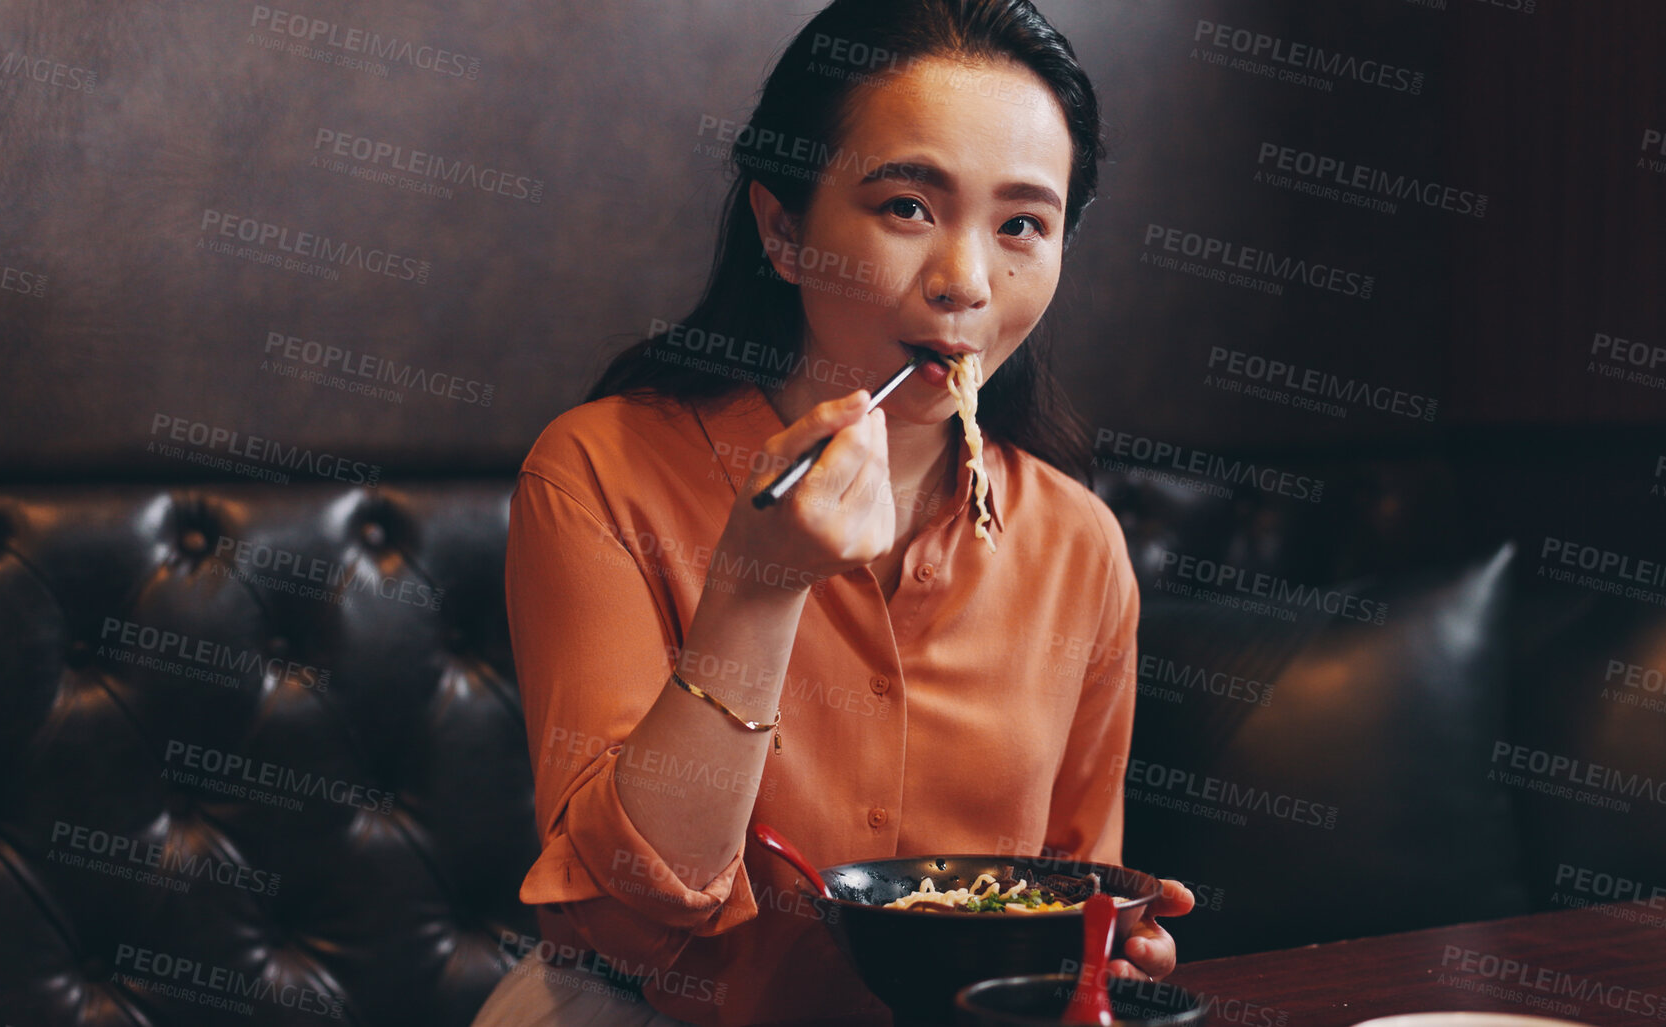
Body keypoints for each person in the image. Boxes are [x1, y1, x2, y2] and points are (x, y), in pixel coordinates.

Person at [475, 1, 1193, 1023]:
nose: (966, 284)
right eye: (907, 206)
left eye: (1023, 225)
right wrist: (758, 587)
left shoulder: (1080, 544)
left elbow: (1078, 902)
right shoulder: (599, 472)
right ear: (783, 229)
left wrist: (1107, 948)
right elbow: (620, 926)